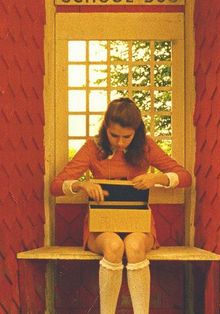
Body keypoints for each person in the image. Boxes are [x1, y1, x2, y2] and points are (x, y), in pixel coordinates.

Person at [51, 98, 192, 314]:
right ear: (105, 127)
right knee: (114, 246)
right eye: (114, 135)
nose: (120, 142)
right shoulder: (92, 147)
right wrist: (82, 185)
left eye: (127, 137)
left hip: (139, 225)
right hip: (101, 227)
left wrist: (156, 179)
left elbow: (185, 177)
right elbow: (56, 186)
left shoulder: (146, 147)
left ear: (137, 131)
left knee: (134, 247)